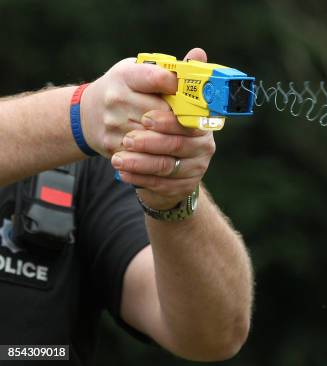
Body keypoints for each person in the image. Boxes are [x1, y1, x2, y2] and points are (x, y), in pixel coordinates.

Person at [0, 47, 253, 364]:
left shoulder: (82, 166)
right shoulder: (80, 141)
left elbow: (216, 334)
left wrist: (173, 198)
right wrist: (81, 114)